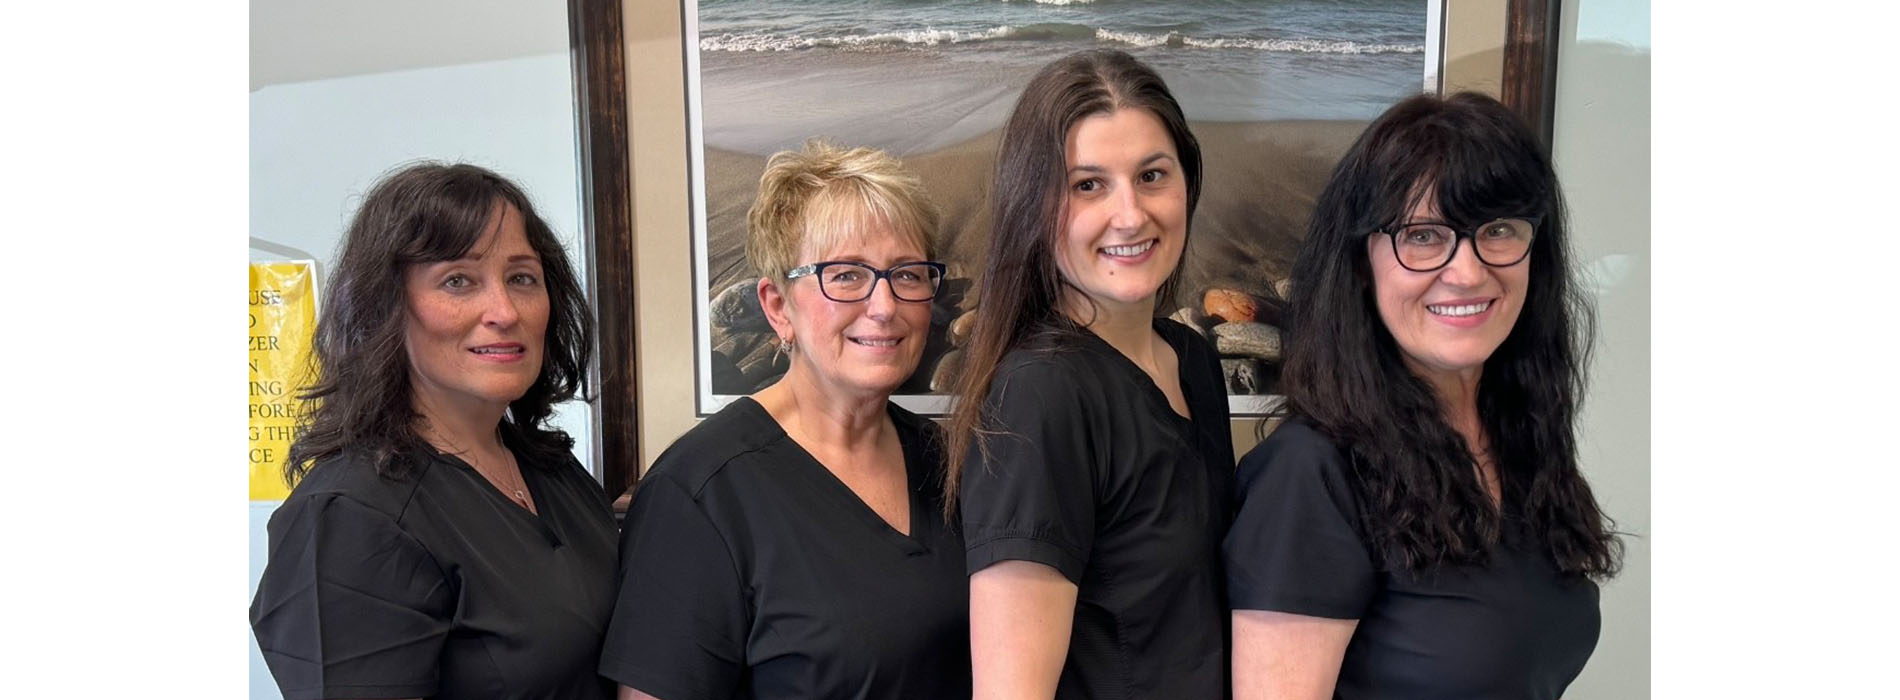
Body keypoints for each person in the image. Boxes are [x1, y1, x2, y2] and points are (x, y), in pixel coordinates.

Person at [1223, 92, 1623, 700]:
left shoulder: (1518, 439)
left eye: (1498, 230)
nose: (1466, 271)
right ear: (1363, 261)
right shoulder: (1312, 474)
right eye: (1424, 236)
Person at [598, 141, 970, 700]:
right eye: (845, 275)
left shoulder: (946, 462)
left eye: (908, 274)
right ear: (777, 306)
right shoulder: (700, 492)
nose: (885, 305)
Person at [250, 162, 616, 699]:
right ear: (387, 308)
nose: (504, 310)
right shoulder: (350, 518)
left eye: (522, 278)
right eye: (458, 281)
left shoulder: (549, 469)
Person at [944, 49, 1234, 699]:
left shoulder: (1191, 358)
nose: (1130, 215)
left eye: (1152, 175)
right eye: (1088, 185)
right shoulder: (1040, 395)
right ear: (1035, 206)